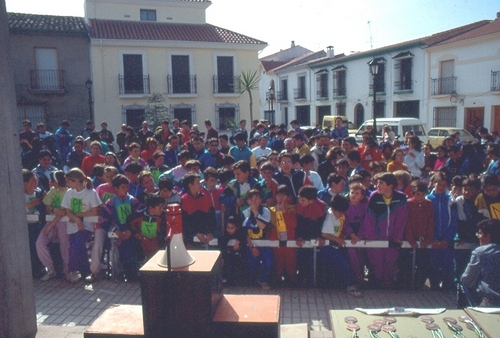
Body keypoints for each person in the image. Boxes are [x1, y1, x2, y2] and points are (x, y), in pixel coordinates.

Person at [359, 172, 408, 288]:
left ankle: (387, 286)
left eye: (381, 183)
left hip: (393, 239)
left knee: (390, 263)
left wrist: (398, 237)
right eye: (377, 183)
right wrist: (371, 236)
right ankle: (376, 285)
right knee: (376, 263)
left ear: (390, 186)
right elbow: (369, 218)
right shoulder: (374, 197)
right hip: (376, 238)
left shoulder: (401, 198)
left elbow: (402, 220)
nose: (377, 186)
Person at [94, 174, 142, 282]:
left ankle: (134, 276)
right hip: (117, 235)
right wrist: (116, 231)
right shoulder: (111, 202)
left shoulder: (133, 201)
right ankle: (122, 274)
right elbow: (103, 220)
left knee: (131, 254)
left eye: (127, 187)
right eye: (122, 187)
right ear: (116, 188)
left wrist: (131, 231)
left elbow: (139, 217)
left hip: (131, 234)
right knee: (120, 255)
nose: (125, 189)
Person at [61, 168, 101, 283]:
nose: (67, 184)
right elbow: (67, 210)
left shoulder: (91, 193)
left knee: (74, 247)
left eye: (69, 181)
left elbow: (94, 211)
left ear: (76, 181)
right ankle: (86, 272)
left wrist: (79, 216)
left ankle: (73, 270)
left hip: (86, 227)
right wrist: (77, 220)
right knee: (80, 248)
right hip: (72, 226)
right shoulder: (69, 193)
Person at [319, 194, 363, 297]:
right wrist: (337, 239)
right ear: (334, 209)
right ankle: (350, 285)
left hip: (335, 246)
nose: (340, 214)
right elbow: (324, 233)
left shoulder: (340, 216)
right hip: (327, 247)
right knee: (343, 264)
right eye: (339, 212)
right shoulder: (330, 216)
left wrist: (341, 235)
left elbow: (336, 230)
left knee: (347, 262)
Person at [427, 171, 458, 291]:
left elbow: (454, 221)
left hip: (446, 239)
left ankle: (447, 286)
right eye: (438, 184)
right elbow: (426, 221)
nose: (441, 187)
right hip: (432, 239)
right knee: (433, 264)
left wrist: (447, 238)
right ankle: (434, 286)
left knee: (448, 264)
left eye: (444, 185)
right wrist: (432, 237)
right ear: (433, 183)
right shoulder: (428, 199)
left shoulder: (451, 201)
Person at [36, 170, 70, 281]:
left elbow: (62, 213)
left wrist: (49, 227)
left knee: (64, 246)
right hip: (51, 221)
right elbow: (47, 206)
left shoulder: (68, 192)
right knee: (40, 243)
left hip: (63, 223)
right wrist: (52, 209)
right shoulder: (52, 191)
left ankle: (68, 270)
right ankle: (50, 268)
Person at [401, 180, 434, 289]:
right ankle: (407, 285)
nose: (420, 197)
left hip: (424, 238)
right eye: (418, 194)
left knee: (423, 264)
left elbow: (431, 222)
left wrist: (428, 239)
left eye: (423, 194)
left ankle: (419, 285)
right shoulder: (408, 204)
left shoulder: (429, 204)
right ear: (413, 194)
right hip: (410, 239)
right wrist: (411, 240)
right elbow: (407, 223)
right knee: (408, 263)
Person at [461, 219, 500, 307]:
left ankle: (471, 309)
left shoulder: (481, 252)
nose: (478, 236)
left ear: (488, 236)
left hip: (491, 300)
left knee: (463, 283)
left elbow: (467, 279)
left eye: (480, 233)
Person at [295, 185, 327, 287]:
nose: (300, 201)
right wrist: (299, 236)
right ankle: (302, 278)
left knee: (314, 258)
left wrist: (319, 236)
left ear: (311, 201)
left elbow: (320, 224)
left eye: (303, 200)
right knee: (301, 256)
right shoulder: (300, 205)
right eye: (299, 198)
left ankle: (315, 280)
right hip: (304, 232)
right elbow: (299, 222)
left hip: (316, 232)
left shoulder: (320, 207)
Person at [242, 189, 273, 289]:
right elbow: (244, 232)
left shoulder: (266, 211)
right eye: (251, 199)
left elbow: (262, 226)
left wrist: (255, 212)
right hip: (250, 243)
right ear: (248, 201)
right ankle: (252, 282)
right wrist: (252, 247)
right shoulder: (244, 213)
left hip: (265, 243)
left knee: (268, 262)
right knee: (252, 263)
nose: (254, 202)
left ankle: (262, 279)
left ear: (260, 200)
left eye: (257, 199)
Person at [269, 185, 297, 286]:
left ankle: (293, 283)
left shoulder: (292, 209)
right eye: (279, 195)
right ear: (275, 196)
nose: (281, 198)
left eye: (284, 195)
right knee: (278, 263)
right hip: (276, 241)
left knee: (291, 263)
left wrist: (285, 212)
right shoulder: (270, 210)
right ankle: (277, 283)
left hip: (290, 241)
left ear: (288, 197)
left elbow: (293, 224)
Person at [181, 172, 217, 247]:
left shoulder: (206, 196)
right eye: (197, 182)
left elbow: (212, 216)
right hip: (192, 239)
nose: (200, 184)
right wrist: (196, 233)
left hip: (207, 236)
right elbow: (185, 222)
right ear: (190, 185)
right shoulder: (183, 200)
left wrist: (211, 232)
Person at [343, 183, 369, 284]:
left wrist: (360, 235)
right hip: (348, 233)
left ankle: (361, 277)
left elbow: (366, 221)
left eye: (357, 193)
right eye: (352, 192)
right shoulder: (345, 205)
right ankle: (355, 276)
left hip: (360, 233)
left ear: (362, 196)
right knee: (351, 253)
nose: (353, 195)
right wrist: (351, 234)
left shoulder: (365, 206)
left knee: (361, 254)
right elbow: (343, 222)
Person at [128, 194, 167, 261]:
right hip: (141, 247)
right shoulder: (138, 215)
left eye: (162, 207)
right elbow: (129, 224)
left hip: (157, 247)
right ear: (151, 208)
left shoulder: (164, 217)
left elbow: (163, 234)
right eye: (160, 208)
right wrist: (135, 233)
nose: (162, 210)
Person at [23, 169, 47, 278]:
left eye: (36, 180)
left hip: (39, 225)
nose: (35, 183)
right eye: (32, 181)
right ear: (25, 184)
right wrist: (29, 205)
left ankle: (40, 268)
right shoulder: (19, 196)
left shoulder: (40, 193)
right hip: (25, 227)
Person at [220, 216, 247, 285]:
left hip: (239, 257)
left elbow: (244, 235)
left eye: (232, 228)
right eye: (228, 228)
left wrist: (238, 242)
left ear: (237, 227)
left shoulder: (240, 234)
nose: (230, 230)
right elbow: (222, 247)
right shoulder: (225, 236)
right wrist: (222, 257)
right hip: (228, 257)